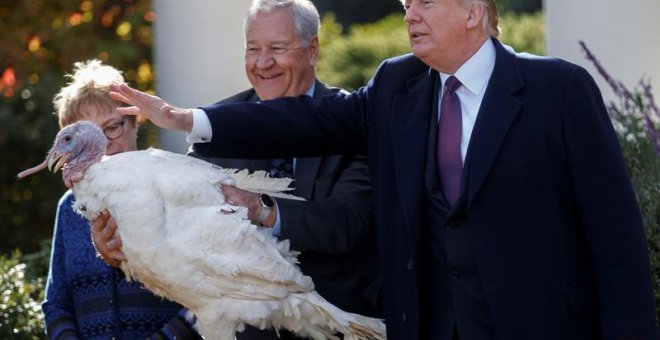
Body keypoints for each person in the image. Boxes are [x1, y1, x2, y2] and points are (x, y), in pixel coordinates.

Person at [107, 0, 660, 339]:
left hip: (539, 325)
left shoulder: (557, 90)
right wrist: (190, 119)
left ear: (474, 11)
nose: (409, 14)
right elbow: (308, 119)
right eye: (405, 3)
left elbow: (616, 239)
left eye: (424, 2)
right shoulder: (399, 85)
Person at [93, 1, 382, 339]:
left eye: (276, 48)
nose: (263, 63)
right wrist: (121, 247)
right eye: (253, 49)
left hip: (341, 326)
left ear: (313, 48)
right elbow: (179, 238)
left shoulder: (354, 123)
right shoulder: (216, 127)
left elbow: (347, 223)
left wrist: (263, 210)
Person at [41, 60, 201, 340]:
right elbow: (56, 305)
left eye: (112, 127)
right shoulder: (69, 207)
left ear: (134, 123)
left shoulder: (173, 192)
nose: (102, 144)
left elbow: (208, 291)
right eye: (86, 135)